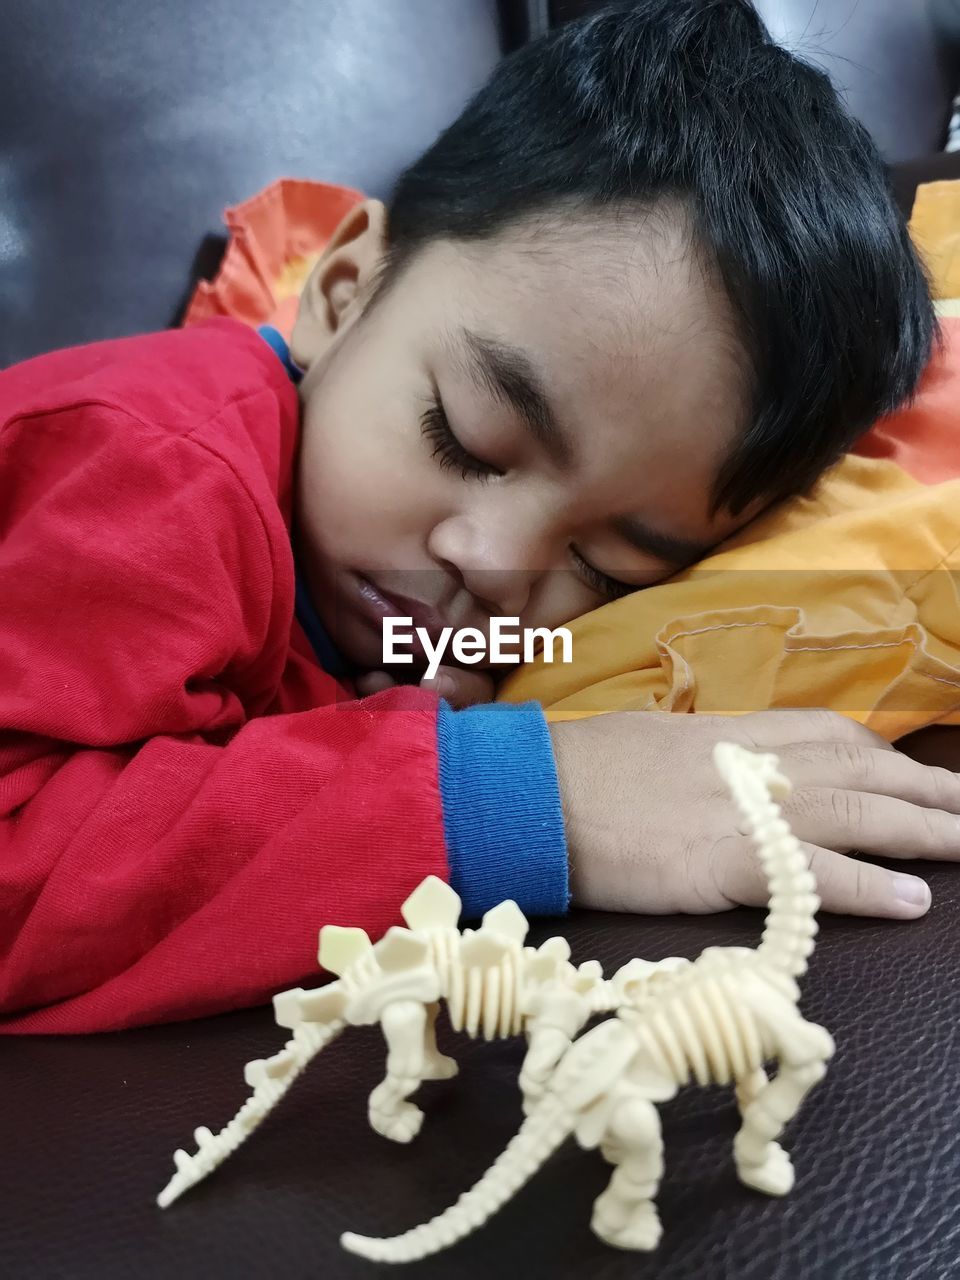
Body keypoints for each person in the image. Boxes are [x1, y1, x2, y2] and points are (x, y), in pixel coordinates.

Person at [1, 0, 955, 1034]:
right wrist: (509, 796)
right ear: (345, 288)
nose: (495, 564)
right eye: (464, 437)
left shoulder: (422, 595)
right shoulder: (156, 466)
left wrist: (391, 711)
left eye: (606, 564)